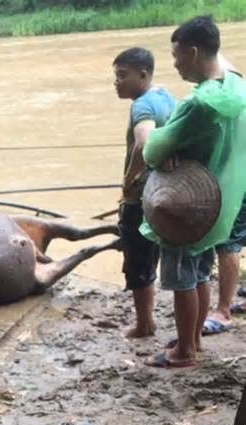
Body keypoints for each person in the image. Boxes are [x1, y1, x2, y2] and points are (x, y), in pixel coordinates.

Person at [141, 16, 246, 367]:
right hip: (221, 206)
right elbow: (225, 63)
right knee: (200, 272)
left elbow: (152, 151)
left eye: (177, 55)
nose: (173, 63)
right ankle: (195, 338)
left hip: (187, 208)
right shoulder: (235, 85)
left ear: (195, 52)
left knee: (182, 278)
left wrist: (161, 144)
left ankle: (185, 350)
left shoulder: (198, 104)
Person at [112, 47, 176, 338]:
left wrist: (130, 177)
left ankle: (144, 324)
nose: (117, 82)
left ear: (143, 74)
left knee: (137, 259)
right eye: (116, 76)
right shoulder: (164, 96)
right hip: (164, 193)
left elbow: (144, 141)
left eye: (122, 76)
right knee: (153, 255)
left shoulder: (142, 106)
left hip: (141, 198)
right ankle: (148, 319)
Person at [201, 53, 246, 333]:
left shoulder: (223, 98)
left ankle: (223, 310)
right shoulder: (237, 90)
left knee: (228, 243)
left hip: (237, 180)